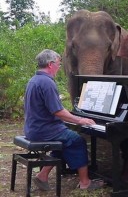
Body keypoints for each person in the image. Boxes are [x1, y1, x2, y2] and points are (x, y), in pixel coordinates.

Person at [23, 49, 104, 190]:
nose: (59, 68)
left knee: (64, 141)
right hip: (44, 130)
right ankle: (85, 182)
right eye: (59, 64)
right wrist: (80, 120)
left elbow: (53, 110)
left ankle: (42, 176)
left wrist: (73, 118)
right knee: (77, 140)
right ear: (50, 64)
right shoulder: (47, 83)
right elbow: (58, 112)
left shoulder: (34, 80)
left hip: (33, 128)